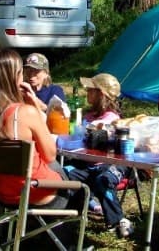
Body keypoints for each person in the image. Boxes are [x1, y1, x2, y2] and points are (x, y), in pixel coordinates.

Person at [0, 48, 70, 208]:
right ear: (17, 76)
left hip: (5, 196)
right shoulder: (26, 113)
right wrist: (34, 106)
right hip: (39, 193)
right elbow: (50, 155)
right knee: (70, 182)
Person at [64, 73, 134, 239]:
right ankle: (86, 206)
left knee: (103, 180)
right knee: (64, 172)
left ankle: (119, 220)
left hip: (110, 164)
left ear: (101, 94)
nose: (87, 92)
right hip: (88, 164)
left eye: (90, 90)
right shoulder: (89, 116)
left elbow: (94, 138)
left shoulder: (111, 120)